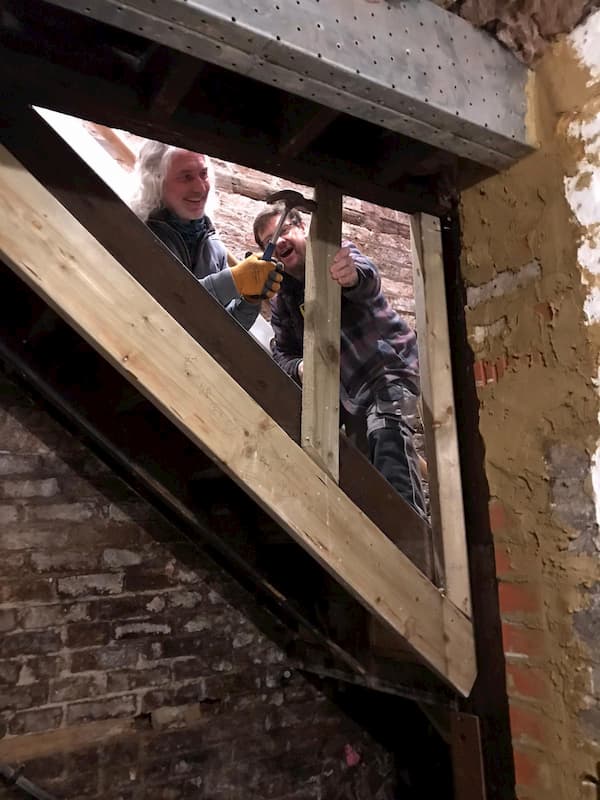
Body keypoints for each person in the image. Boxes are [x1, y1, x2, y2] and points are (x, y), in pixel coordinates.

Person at [253, 205, 426, 518]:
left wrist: (351, 277)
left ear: (300, 227)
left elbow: (366, 276)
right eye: (268, 240)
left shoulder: (336, 255)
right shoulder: (283, 303)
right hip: (350, 398)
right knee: (367, 479)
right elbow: (282, 354)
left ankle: (414, 545)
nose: (277, 242)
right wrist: (299, 367)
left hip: (388, 371)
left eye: (282, 232)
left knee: (387, 438)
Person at [130, 141, 282, 330]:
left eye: (203, 174)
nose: (200, 188)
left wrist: (250, 299)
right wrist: (234, 280)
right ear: (155, 181)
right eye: (186, 177)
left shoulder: (212, 243)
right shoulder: (139, 235)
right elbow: (167, 310)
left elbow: (225, 328)